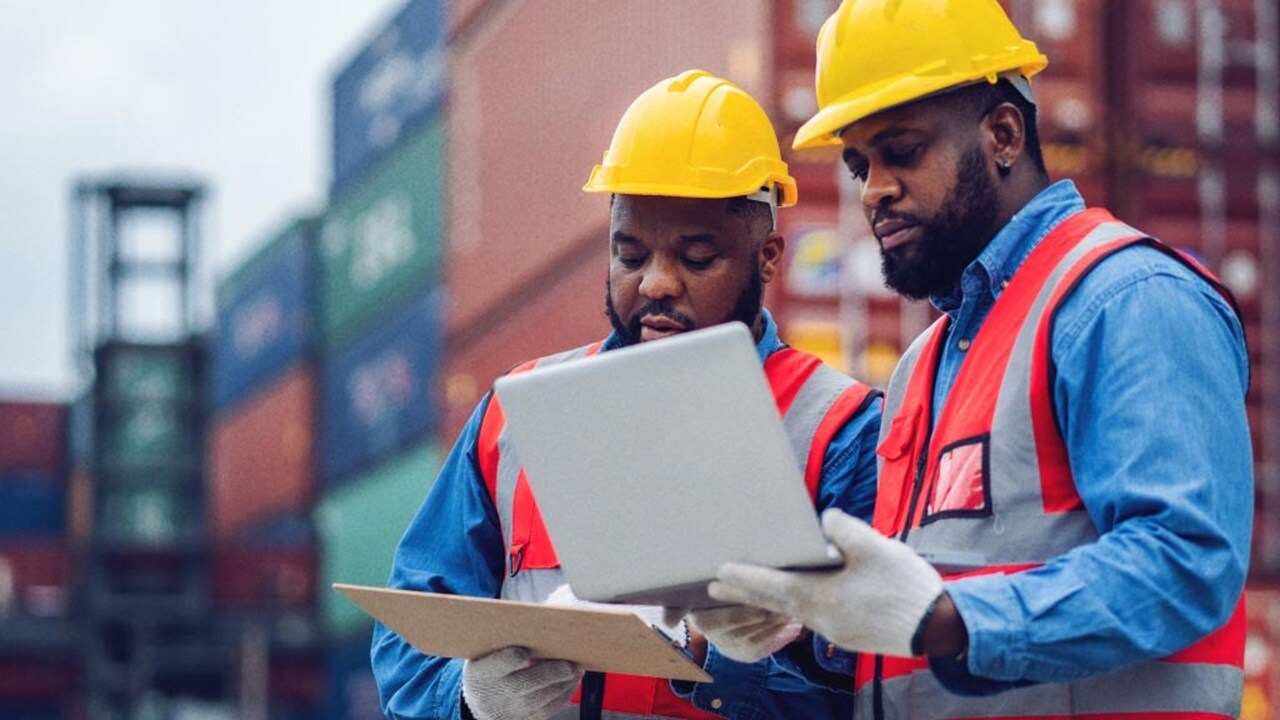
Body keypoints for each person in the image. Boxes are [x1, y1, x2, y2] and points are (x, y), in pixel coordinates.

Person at [693, 1, 1253, 717]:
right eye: (860, 165)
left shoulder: (1125, 299)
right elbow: (917, 624)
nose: (873, 190)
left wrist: (948, 620)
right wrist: (807, 629)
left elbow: (1188, 563)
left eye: (902, 151)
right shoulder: (922, 366)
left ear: (1004, 134)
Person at [370, 69, 884, 720]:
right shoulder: (511, 420)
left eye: (697, 257)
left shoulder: (843, 431)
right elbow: (411, 637)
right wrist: (469, 701)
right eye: (631, 255)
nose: (656, 283)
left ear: (767, 258)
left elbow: (898, 677)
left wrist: (772, 651)